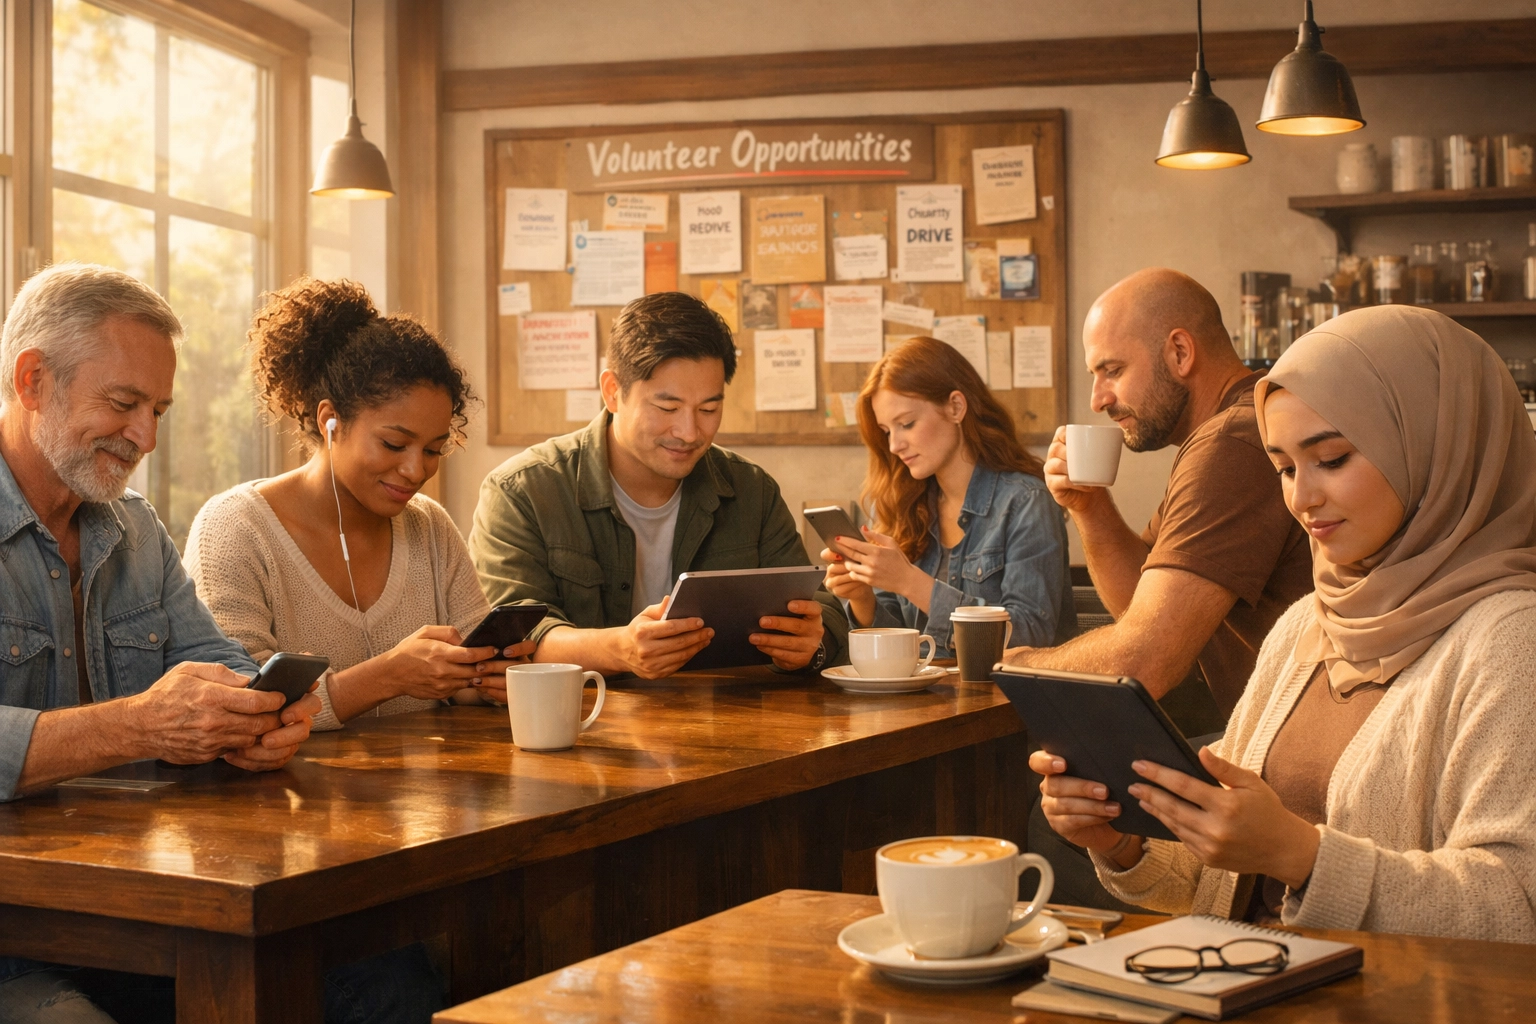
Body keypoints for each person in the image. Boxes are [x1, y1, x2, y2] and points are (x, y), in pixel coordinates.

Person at [1033, 306, 1536, 941]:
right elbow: (1223, 878)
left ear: (1437, 449)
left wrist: (1301, 855)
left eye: (1332, 459)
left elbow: (1519, 907)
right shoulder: (1307, 625)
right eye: (1286, 468)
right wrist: (1121, 842)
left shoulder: (1512, 642)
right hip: (1242, 975)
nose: (1302, 498)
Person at [0, 263, 321, 1019]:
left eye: (158, 410)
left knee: (375, 976)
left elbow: (224, 666)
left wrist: (265, 717)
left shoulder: (136, 528)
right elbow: (149, 722)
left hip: (135, 914)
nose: (145, 436)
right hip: (12, 940)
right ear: (33, 380)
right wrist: (138, 726)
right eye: (123, 404)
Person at [186, 277, 533, 731]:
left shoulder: (430, 527)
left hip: (429, 778)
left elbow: (467, 677)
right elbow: (239, 706)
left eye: (433, 449)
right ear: (330, 420)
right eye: (394, 444)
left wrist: (486, 682)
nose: (416, 470)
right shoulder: (234, 529)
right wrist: (388, 676)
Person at [470, 291, 848, 678]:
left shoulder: (752, 490)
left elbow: (823, 611)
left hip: (725, 710)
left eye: (709, 409)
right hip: (583, 710)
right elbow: (513, 637)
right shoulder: (523, 491)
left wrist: (810, 644)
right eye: (667, 408)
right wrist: (618, 650)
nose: (689, 432)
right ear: (612, 391)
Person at [1004, 268, 1312, 719]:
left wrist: (1016, 665)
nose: (1097, 399)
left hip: (1290, 744)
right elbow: (1140, 606)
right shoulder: (1224, 431)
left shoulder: (1231, 441)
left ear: (1180, 352)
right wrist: (1090, 507)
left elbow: (1144, 660)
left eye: (1112, 371)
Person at [821, 336, 1074, 656]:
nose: (894, 445)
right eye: (886, 431)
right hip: (926, 690)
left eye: (906, 424)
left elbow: (1030, 635)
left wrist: (911, 582)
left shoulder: (1026, 501)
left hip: (1005, 689)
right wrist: (861, 598)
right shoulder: (903, 505)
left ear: (956, 407)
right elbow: (897, 650)